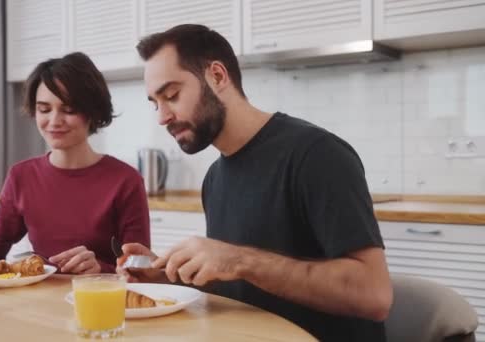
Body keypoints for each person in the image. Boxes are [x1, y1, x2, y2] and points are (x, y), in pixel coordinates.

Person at [118, 24, 392, 341]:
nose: (162, 117)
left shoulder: (316, 155)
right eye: (155, 102)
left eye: (172, 96)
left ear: (217, 76)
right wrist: (167, 276)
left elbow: (374, 296)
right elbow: (242, 283)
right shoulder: (215, 179)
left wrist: (239, 259)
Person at [0, 52, 150, 274]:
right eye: (44, 109)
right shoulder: (21, 176)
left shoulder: (125, 180)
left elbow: (140, 266)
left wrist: (101, 269)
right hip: (41, 298)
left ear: (92, 112)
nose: (54, 121)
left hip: (102, 298)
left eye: (68, 110)